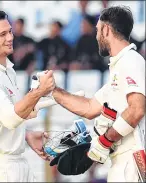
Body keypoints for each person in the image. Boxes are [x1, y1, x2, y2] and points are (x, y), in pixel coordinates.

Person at [50, 6, 145, 182]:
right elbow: (89, 107)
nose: (96, 36)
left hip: (132, 161)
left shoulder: (131, 60)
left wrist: (104, 141)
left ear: (106, 29)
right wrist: (52, 91)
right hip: (121, 161)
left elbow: (137, 109)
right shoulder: (119, 67)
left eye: (97, 30)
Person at [0, 8, 55, 182]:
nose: (10, 38)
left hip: (16, 163)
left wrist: (26, 135)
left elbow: (6, 118)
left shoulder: (8, 71)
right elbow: (10, 117)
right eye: (2, 34)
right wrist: (38, 91)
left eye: (10, 31)